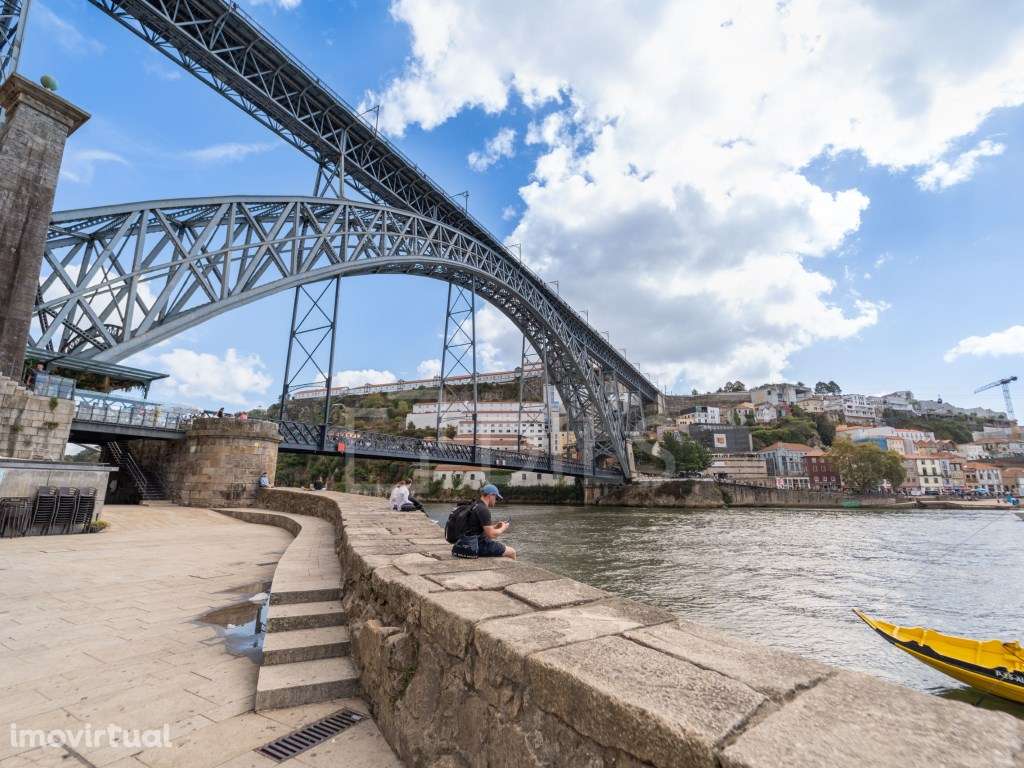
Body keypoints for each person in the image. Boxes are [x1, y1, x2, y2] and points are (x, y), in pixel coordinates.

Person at [452, 484, 515, 560]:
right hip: (477, 545)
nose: (496, 500)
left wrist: (496, 526)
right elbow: (491, 535)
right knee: (512, 552)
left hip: (464, 543)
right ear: (491, 495)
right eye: (496, 497)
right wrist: (503, 528)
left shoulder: (475, 505)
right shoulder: (484, 510)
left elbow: (476, 527)